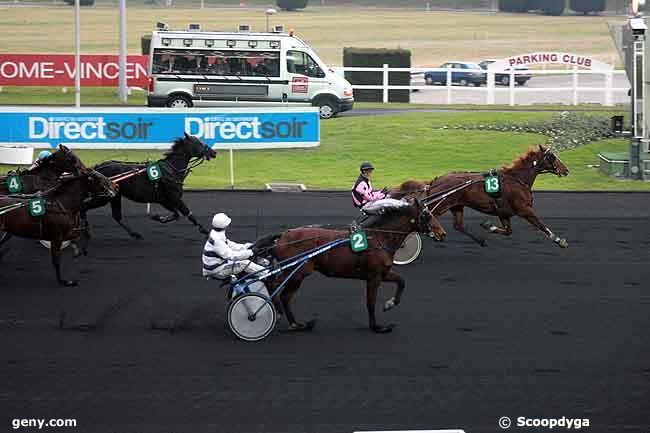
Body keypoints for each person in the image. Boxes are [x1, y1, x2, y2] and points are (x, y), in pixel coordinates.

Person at [202, 212, 269, 297]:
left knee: (244, 260)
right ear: (225, 225)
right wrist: (251, 252)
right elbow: (231, 256)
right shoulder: (217, 240)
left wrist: (247, 246)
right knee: (244, 263)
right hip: (217, 270)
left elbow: (231, 245)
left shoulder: (216, 234)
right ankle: (268, 274)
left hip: (218, 265)